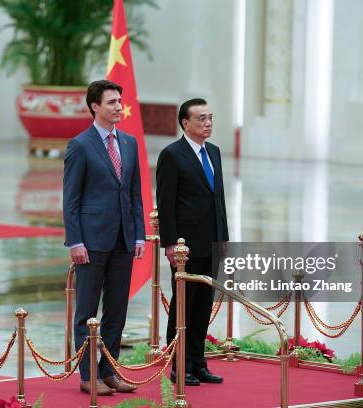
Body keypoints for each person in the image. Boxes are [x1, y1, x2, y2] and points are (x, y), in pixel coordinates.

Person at [63, 80, 145, 396]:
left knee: (116, 310)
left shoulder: (128, 143)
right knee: (86, 312)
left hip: (124, 240)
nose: (118, 106)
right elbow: (71, 199)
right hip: (92, 242)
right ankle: (87, 376)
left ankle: (109, 371)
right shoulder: (80, 145)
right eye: (111, 101)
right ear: (95, 106)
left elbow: (135, 194)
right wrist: (76, 241)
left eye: (119, 101)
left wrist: (138, 235)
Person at [156, 98, 229, 386]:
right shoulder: (172, 155)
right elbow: (166, 202)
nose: (208, 123)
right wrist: (171, 243)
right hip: (185, 246)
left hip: (211, 240)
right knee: (183, 306)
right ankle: (179, 364)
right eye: (201, 118)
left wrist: (223, 237)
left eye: (210, 117)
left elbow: (218, 199)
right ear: (185, 123)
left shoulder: (214, 152)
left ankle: (198, 363)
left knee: (203, 306)